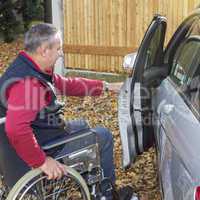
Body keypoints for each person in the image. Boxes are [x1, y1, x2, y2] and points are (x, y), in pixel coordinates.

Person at [0, 23, 139, 199]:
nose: (61, 53)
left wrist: (106, 86)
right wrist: (41, 161)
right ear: (44, 50)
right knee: (103, 136)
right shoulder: (29, 85)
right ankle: (106, 194)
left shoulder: (28, 67)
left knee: (83, 125)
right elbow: (16, 128)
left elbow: (66, 84)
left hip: (35, 137)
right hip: (39, 148)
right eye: (58, 49)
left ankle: (91, 181)